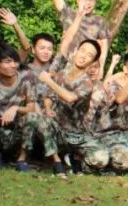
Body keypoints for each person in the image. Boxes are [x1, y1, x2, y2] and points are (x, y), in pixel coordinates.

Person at [35, 36, 100, 177]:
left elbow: (70, 98)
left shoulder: (88, 83)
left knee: (100, 160)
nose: (84, 56)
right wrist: (48, 108)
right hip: (58, 130)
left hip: (78, 136)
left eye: (89, 55)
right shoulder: (61, 75)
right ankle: (57, 162)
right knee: (39, 119)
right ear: (76, 51)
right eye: (83, 51)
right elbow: (48, 96)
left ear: (93, 62)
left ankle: (75, 157)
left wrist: (48, 80)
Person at [30, 0, 111, 71]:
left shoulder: (100, 21)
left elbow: (104, 47)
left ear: (95, 3)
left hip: (83, 67)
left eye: (91, 0)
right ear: (77, 1)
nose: (88, 3)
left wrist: (101, 68)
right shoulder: (68, 13)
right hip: (62, 62)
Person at [82, 48, 128, 174]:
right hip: (99, 135)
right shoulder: (112, 85)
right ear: (125, 69)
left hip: (119, 137)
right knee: (100, 159)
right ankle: (84, 161)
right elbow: (118, 100)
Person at [0, 45, 42, 172]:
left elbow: (31, 108)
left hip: (17, 132)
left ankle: (21, 160)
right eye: (8, 62)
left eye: (15, 61)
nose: (13, 65)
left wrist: (15, 108)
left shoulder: (26, 79)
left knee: (32, 117)